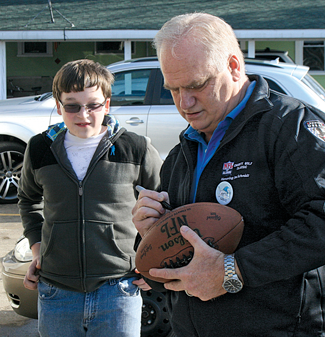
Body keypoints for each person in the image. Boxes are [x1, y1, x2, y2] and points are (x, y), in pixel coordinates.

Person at [132, 12, 325, 336]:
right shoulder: (184, 151)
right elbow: (162, 272)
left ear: (234, 66)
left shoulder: (289, 127)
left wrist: (234, 270)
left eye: (196, 85)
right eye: (173, 89)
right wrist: (150, 232)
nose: (185, 102)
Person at [18, 59, 162, 337]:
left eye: (93, 105)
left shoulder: (136, 148)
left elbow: (162, 206)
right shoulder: (39, 149)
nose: (83, 114)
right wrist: (38, 250)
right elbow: (28, 200)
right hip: (56, 292)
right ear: (59, 106)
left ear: (106, 105)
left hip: (119, 289)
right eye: (72, 105)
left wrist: (150, 260)